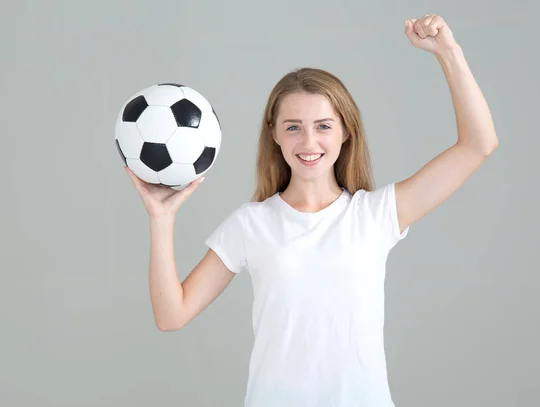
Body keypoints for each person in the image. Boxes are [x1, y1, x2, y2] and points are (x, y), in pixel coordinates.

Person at [125, 14, 498, 407]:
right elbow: (171, 316)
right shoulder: (251, 224)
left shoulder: (375, 215)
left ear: (345, 131)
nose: (308, 141)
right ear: (273, 133)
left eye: (323, 126)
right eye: (293, 127)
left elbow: (478, 144)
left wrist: (448, 53)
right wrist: (161, 219)